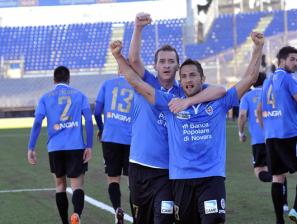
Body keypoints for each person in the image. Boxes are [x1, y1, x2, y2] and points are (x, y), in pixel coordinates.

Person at [111, 30, 264, 223]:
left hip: (211, 178)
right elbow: (135, 81)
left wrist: (258, 48)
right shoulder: (170, 102)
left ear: (202, 78)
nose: (188, 80)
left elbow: (249, 78)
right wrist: (118, 57)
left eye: (193, 75)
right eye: (184, 76)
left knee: (214, 220)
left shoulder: (219, 102)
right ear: (179, 80)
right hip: (180, 179)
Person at [126, 12, 226, 224]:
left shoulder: (186, 90)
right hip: (140, 164)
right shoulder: (150, 84)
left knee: (164, 220)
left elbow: (218, 90)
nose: (166, 65)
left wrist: (188, 101)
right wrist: (138, 27)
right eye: (162, 61)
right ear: (156, 66)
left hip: (168, 170)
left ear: (177, 67)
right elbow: (133, 60)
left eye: (171, 61)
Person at [27, 66, 93, 224]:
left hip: (55, 148)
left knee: (60, 185)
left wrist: (31, 147)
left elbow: (37, 122)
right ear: (69, 79)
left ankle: (65, 221)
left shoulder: (45, 97)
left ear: (54, 80)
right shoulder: (80, 95)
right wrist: (89, 145)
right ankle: (76, 214)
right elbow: (89, 121)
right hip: (76, 146)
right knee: (77, 186)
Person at [257, 46, 297, 224]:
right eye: (292, 59)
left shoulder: (267, 82)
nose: (295, 63)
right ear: (281, 61)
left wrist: (268, 128)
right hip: (288, 134)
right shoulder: (288, 78)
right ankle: (295, 209)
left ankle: (279, 220)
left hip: (271, 136)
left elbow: (259, 111)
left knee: (278, 178)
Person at [238, 72, 288, 212]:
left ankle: (274, 180)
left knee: (259, 171)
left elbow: (242, 116)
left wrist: (241, 133)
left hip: (258, 141)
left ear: (253, 82)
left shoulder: (247, 96)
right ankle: (284, 204)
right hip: (276, 136)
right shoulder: (273, 93)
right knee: (280, 169)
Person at [94, 75, 134, 224]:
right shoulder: (137, 84)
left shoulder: (107, 83)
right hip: (131, 138)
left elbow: (97, 112)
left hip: (110, 137)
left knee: (113, 178)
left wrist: (102, 128)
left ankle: (117, 209)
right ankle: (137, 216)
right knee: (133, 181)